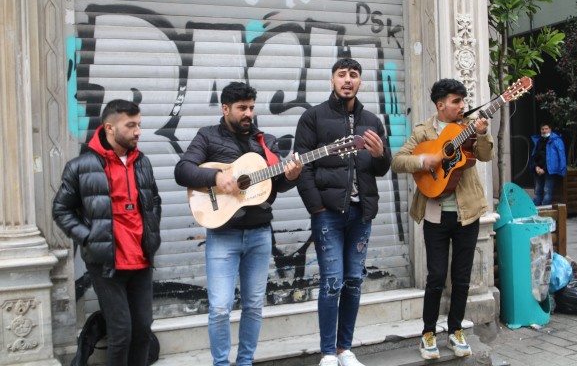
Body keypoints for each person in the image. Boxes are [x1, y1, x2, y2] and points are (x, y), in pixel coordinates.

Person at [174, 81, 302, 366]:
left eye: (252, 108)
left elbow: (276, 185)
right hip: (223, 235)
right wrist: (216, 178)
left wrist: (291, 176)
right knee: (220, 308)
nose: (248, 114)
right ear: (225, 108)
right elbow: (182, 170)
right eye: (242, 108)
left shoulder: (265, 141)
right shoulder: (207, 137)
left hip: (259, 234)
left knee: (254, 306)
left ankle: (245, 362)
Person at [293, 58, 391, 366]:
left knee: (353, 280)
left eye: (353, 75)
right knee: (331, 281)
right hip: (328, 214)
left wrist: (380, 155)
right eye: (342, 74)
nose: (347, 80)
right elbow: (302, 164)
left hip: (361, 214)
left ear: (361, 81)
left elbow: (382, 168)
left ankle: (343, 349)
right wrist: (316, 206)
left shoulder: (372, 120)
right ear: (332, 79)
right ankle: (326, 352)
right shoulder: (313, 117)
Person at [390, 78, 494, 360]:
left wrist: (483, 134)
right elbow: (398, 161)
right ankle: (427, 334)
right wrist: (426, 161)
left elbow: (484, 155)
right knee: (436, 277)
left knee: (461, 278)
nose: (463, 106)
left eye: (464, 101)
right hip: (435, 214)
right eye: (456, 101)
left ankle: (455, 330)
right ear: (440, 105)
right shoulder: (424, 131)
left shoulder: (470, 126)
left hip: (467, 214)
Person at [53, 99, 162, 366]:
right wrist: (90, 237)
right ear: (110, 128)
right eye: (131, 125)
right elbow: (61, 210)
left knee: (142, 331)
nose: (138, 131)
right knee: (121, 332)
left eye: (139, 125)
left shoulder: (142, 162)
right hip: (107, 264)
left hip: (141, 260)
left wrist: (151, 231)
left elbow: (154, 200)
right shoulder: (80, 167)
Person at [530, 123, 566, 206]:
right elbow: (535, 155)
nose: (544, 131)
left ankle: (544, 209)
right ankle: (534, 210)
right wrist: (536, 167)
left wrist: (545, 169)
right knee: (538, 190)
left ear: (550, 129)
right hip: (538, 169)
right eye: (542, 129)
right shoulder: (539, 141)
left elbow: (560, 157)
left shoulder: (556, 141)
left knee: (547, 190)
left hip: (550, 171)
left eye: (546, 129)